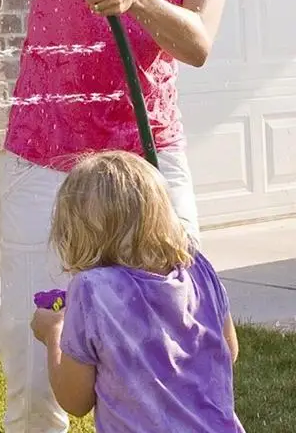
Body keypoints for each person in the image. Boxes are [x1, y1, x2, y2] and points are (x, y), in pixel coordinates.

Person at [0, 0, 234, 432]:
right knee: (30, 330)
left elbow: (197, 41)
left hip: (147, 154)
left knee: (184, 311)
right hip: (46, 151)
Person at [30, 150, 244, 432]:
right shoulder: (197, 266)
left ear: (74, 231)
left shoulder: (91, 291)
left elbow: (75, 401)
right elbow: (229, 351)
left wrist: (54, 332)